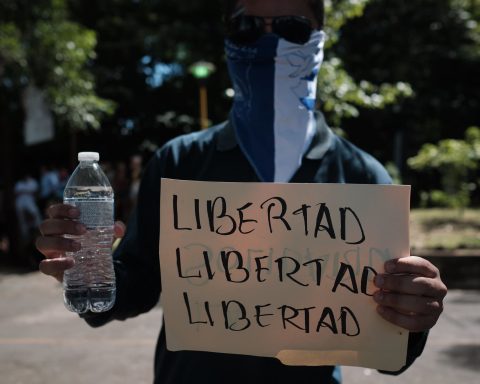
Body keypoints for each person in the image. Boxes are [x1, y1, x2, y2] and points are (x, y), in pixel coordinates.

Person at [35, 1, 447, 383]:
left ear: (320, 37)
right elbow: (136, 287)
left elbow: (387, 346)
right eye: (248, 26)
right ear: (229, 37)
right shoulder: (180, 162)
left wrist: (414, 313)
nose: (269, 41)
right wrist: (87, 271)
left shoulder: (361, 176)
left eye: (291, 27)